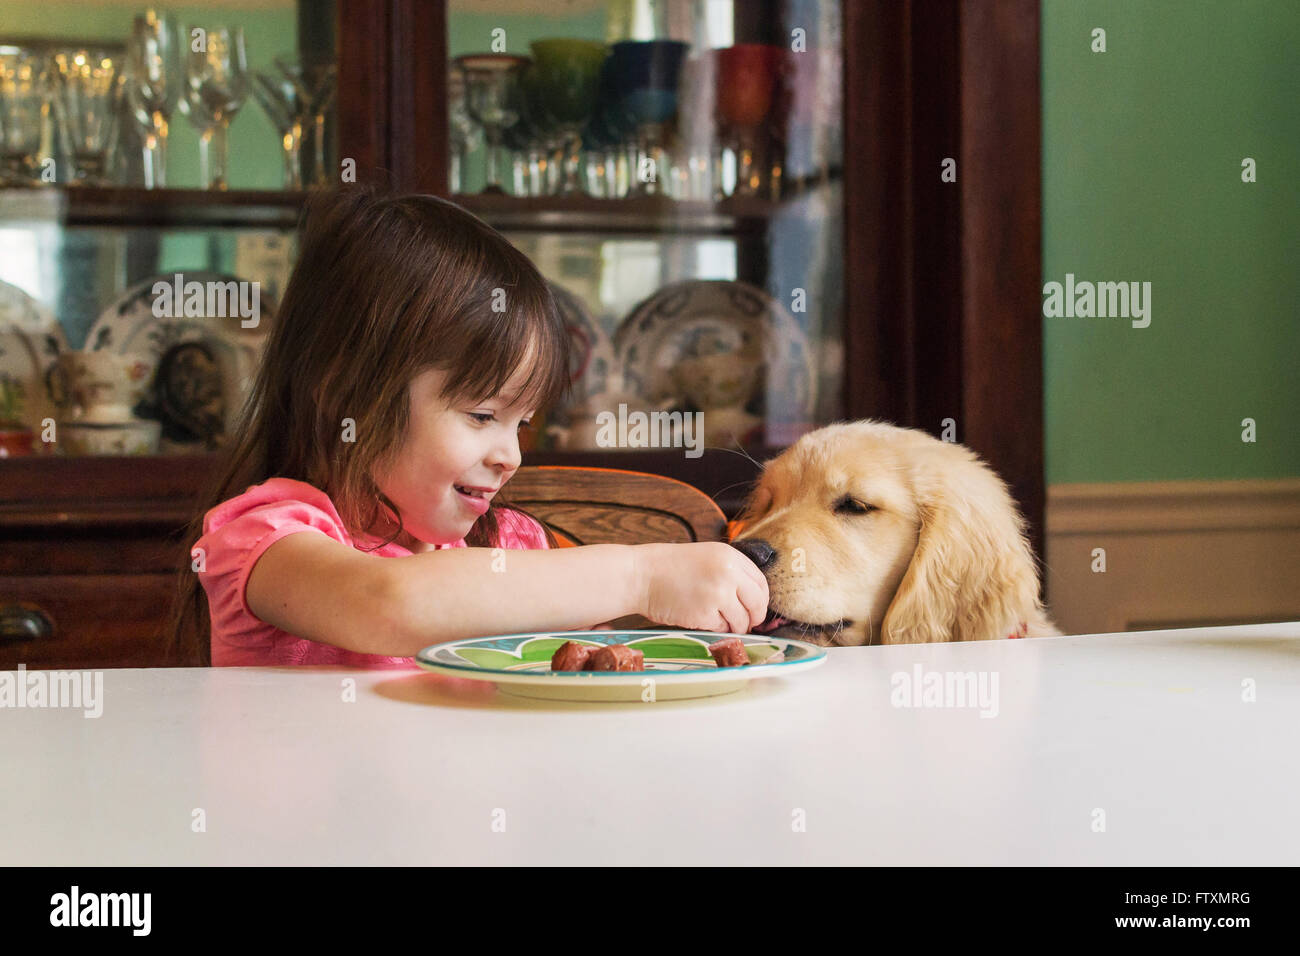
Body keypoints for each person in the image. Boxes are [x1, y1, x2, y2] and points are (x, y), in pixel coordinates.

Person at [168, 188, 768, 667]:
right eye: (482, 416)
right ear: (344, 393)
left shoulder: (509, 547)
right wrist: (644, 574)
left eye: (521, 424)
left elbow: (576, 675)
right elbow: (388, 603)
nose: (509, 455)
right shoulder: (266, 540)